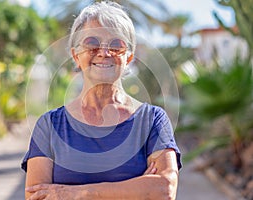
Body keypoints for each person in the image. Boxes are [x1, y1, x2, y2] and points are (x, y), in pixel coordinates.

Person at [21, 1, 182, 199]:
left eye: (116, 45)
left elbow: (164, 190)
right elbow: (37, 197)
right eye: (92, 43)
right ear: (75, 55)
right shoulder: (49, 126)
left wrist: (74, 193)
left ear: (128, 58)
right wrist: (136, 189)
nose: (104, 53)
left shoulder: (152, 120)